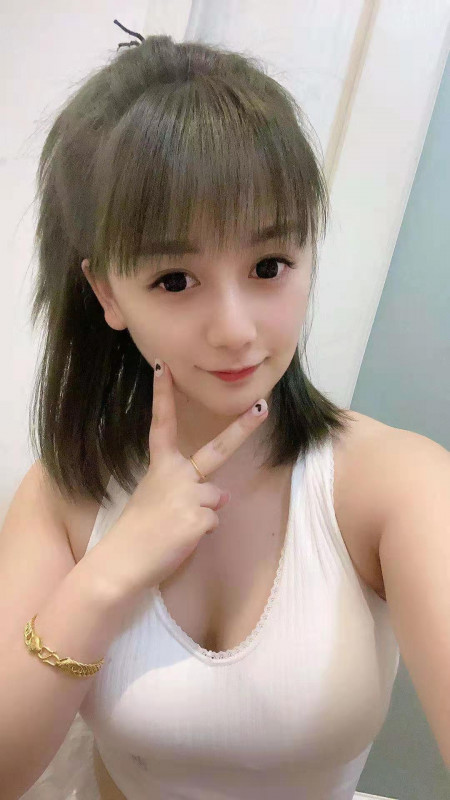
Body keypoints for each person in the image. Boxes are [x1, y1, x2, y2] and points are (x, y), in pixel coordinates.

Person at [1, 21, 403, 800]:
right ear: (108, 292)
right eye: (175, 280)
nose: (235, 329)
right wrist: (111, 572)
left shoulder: (391, 484)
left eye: (269, 265)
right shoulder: (65, 493)